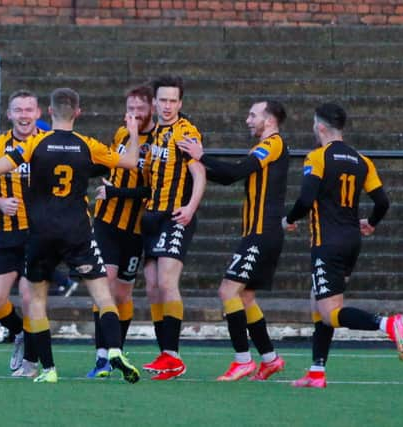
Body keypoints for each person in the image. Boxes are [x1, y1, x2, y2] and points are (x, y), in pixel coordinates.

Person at [0, 87, 141, 384]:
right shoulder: (87, 145)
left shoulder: (35, 144)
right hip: (76, 232)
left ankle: (47, 368)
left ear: (46, 112)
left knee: (34, 299)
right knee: (102, 296)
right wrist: (133, 133)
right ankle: (112, 348)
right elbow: (131, 162)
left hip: (41, 231)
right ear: (79, 113)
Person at [283, 102, 403, 388]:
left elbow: (305, 200)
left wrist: (287, 220)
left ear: (322, 127)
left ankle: (387, 324)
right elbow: (382, 202)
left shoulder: (317, 157)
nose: (313, 129)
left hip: (327, 242)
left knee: (331, 312)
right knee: (318, 299)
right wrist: (372, 223)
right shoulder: (362, 160)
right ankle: (316, 372)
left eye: (314, 125)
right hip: (351, 241)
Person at [177, 100, 289, 382]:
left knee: (228, 291)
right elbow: (228, 178)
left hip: (261, 234)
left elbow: (238, 170)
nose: (248, 120)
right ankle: (270, 359)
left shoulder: (273, 144)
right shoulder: (263, 148)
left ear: (270, 120)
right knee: (246, 296)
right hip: (260, 233)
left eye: (253, 115)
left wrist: (201, 156)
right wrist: (196, 163)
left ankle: (242, 360)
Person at [86, 84, 155, 378]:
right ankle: (102, 356)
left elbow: (152, 189)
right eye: (131, 109)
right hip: (106, 221)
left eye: (140, 109)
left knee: (124, 294)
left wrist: (117, 192)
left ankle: (117, 351)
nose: (135, 114)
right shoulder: (120, 133)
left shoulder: (160, 141)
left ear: (151, 108)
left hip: (136, 227)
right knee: (105, 283)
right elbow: (112, 168)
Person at [140, 75, 206, 380]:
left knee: (167, 282)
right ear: (154, 102)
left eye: (172, 101)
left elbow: (199, 172)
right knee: (152, 286)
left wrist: (190, 208)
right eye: (162, 100)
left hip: (175, 215)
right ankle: (165, 352)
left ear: (180, 103)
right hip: (151, 216)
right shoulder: (153, 134)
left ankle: (173, 354)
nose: (167, 106)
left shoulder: (185, 131)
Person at [0, 89, 42, 373]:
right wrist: (0, 202)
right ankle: (20, 335)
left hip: (39, 234)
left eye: (29, 110)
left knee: (29, 297)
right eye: (19, 110)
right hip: (7, 233)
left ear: (38, 113)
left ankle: (31, 360)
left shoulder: (48, 144)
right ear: (9, 114)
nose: (24, 115)